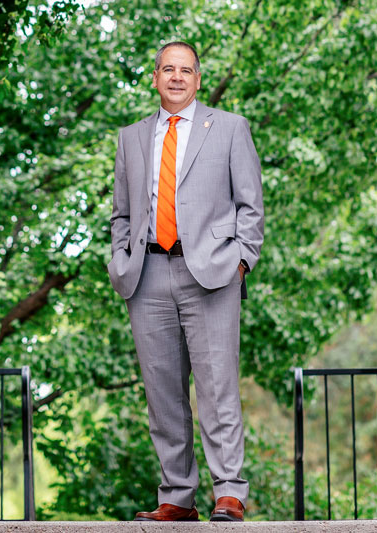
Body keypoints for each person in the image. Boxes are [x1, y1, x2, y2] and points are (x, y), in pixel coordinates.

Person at [107, 41, 264, 522]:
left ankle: (230, 492)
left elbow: (250, 207)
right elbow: (121, 214)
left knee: (218, 389)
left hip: (213, 275)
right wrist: (121, 260)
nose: (177, 77)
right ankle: (177, 497)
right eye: (168, 69)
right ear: (154, 78)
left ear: (198, 79)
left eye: (187, 70)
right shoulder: (131, 138)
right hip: (147, 274)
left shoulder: (231, 128)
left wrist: (241, 261)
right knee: (162, 393)